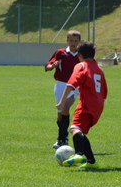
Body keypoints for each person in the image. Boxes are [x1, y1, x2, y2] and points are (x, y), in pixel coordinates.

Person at [59, 41, 108, 169]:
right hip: (99, 105)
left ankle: (79, 154)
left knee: (74, 128)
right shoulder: (99, 69)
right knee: (80, 130)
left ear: (79, 55)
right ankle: (91, 161)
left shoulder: (81, 66)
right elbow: (104, 91)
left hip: (87, 103)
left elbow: (70, 84)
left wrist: (61, 102)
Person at [45, 30, 82, 149]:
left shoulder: (81, 54)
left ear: (79, 42)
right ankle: (63, 137)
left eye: (75, 41)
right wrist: (52, 66)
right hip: (61, 85)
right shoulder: (60, 53)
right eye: (71, 40)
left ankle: (61, 140)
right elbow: (48, 66)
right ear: (67, 40)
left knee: (65, 108)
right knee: (60, 113)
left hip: (75, 86)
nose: (73, 43)